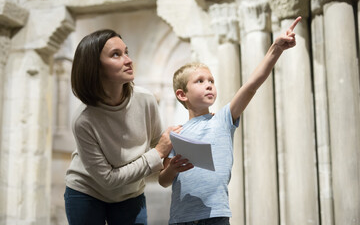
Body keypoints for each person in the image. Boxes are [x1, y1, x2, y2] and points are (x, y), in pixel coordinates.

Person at [158, 16, 302, 225]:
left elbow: (251, 86)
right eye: (200, 81)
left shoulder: (223, 119)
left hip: (215, 214)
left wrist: (276, 49)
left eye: (211, 81)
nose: (209, 85)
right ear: (182, 95)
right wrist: (172, 169)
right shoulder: (176, 134)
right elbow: (163, 180)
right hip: (181, 218)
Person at [64, 29, 181, 225]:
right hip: (86, 192)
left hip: (130, 193)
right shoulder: (83, 120)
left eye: (126, 52)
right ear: (95, 67)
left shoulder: (145, 100)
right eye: (116, 55)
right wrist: (158, 152)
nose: (128, 60)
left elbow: (159, 144)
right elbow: (108, 179)